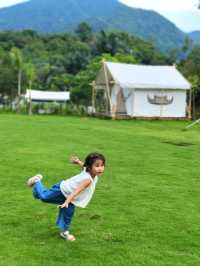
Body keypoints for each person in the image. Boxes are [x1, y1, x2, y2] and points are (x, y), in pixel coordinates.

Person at [27, 152, 105, 241]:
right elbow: (76, 191)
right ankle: (37, 181)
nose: (100, 169)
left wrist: (78, 161)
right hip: (62, 190)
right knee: (44, 197)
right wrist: (66, 202)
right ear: (90, 167)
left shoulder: (90, 171)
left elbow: (84, 166)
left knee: (68, 214)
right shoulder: (88, 180)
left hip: (70, 198)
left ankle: (64, 232)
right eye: (97, 166)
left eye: (102, 165)